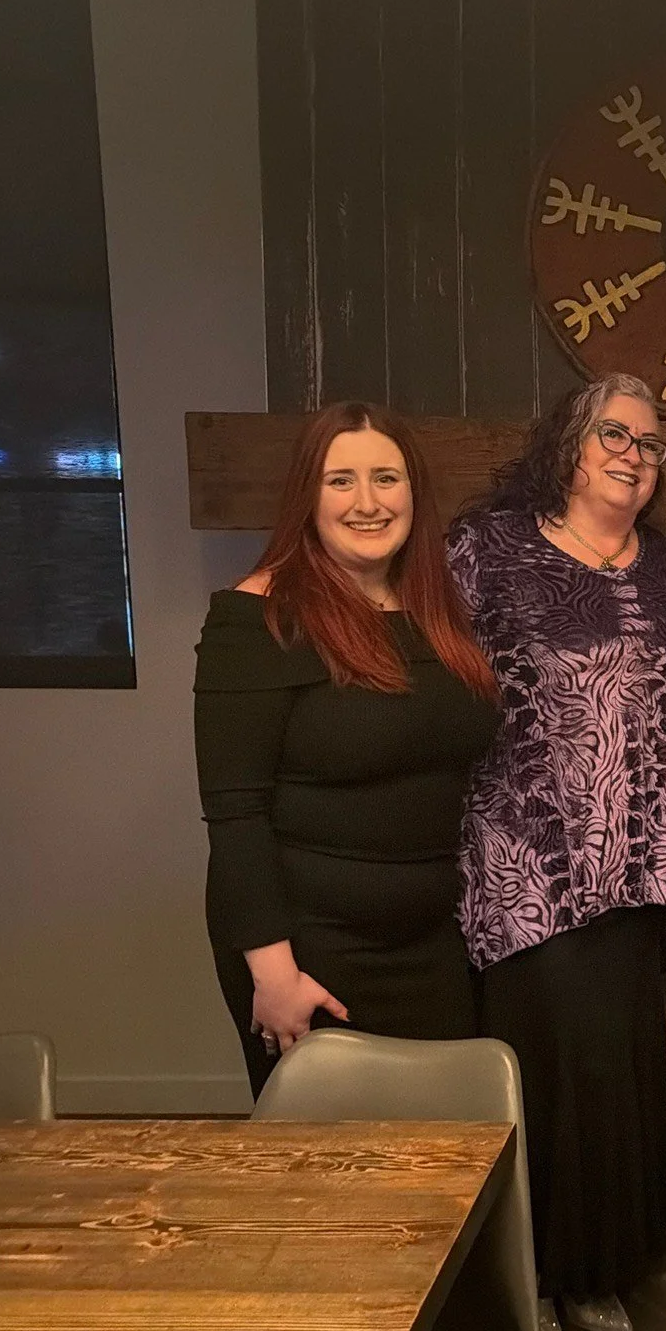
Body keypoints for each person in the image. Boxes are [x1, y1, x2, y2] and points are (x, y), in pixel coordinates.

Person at [449, 373, 666, 1331]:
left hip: (637, 861)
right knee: (544, 1076)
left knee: (613, 1073)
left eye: (650, 443)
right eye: (615, 434)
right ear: (567, 440)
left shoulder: (662, 561)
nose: (634, 455)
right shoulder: (486, 549)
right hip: (529, 859)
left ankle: (597, 1267)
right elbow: (426, 664)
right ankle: (532, 1279)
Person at [194, 401, 500, 1097]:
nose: (367, 502)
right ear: (308, 494)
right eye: (341, 481)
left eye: (386, 479)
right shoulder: (257, 618)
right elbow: (235, 817)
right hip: (312, 954)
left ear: (413, 493)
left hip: (431, 944)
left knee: (441, 1164)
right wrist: (274, 976)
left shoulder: (435, 612)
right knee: (331, 1180)